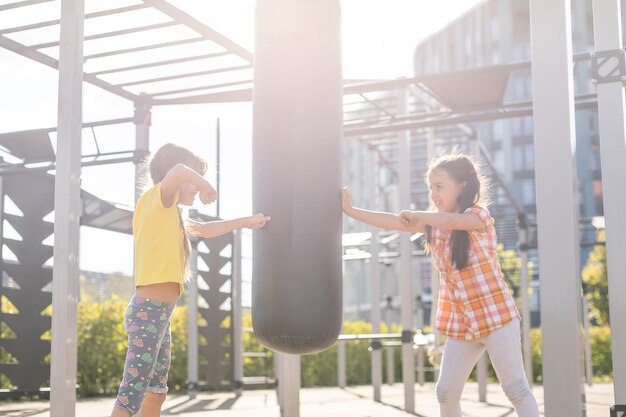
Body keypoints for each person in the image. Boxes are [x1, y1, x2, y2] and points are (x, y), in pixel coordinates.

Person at [341, 153, 539, 417]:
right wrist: (351, 211)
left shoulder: (478, 216)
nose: (433, 193)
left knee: (516, 390)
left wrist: (420, 215)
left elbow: (456, 222)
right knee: (445, 393)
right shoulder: (434, 225)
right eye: (430, 187)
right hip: (461, 324)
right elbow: (391, 221)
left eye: (439, 186)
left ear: (462, 185)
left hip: (497, 318)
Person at [111, 143, 270, 417]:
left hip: (160, 315)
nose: (197, 188)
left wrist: (247, 221)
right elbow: (178, 170)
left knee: (156, 392)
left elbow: (205, 230)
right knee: (132, 392)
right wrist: (205, 183)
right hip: (148, 313)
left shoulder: (172, 215)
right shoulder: (156, 199)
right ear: (179, 178)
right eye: (194, 178)